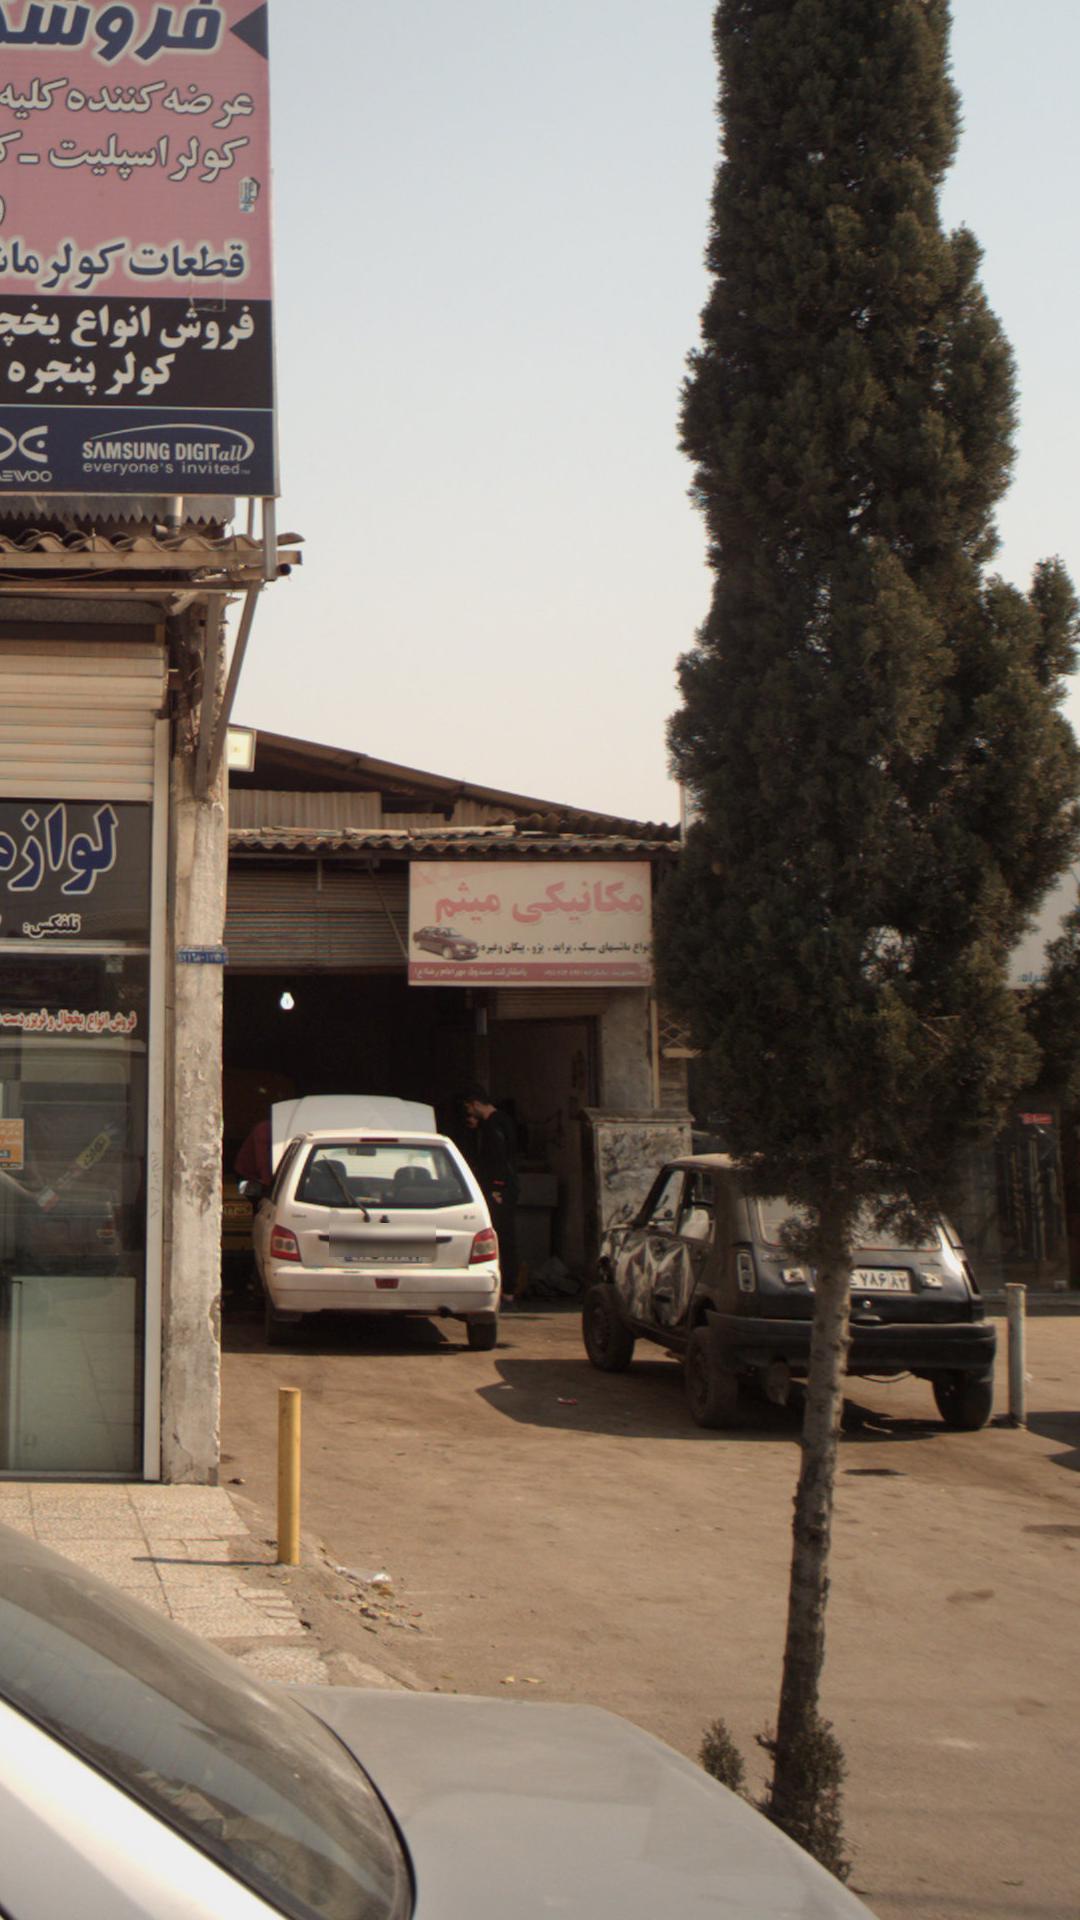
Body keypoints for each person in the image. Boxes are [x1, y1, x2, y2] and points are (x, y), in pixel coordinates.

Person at [462, 1085, 522, 1304]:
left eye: (469, 1108)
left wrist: (497, 1187)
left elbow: (497, 1158)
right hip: (505, 1186)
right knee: (502, 1236)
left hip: (500, 1189)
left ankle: (507, 1288)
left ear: (476, 1104)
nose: (469, 1113)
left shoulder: (493, 1126)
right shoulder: (501, 1122)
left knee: (502, 1236)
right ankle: (507, 1286)